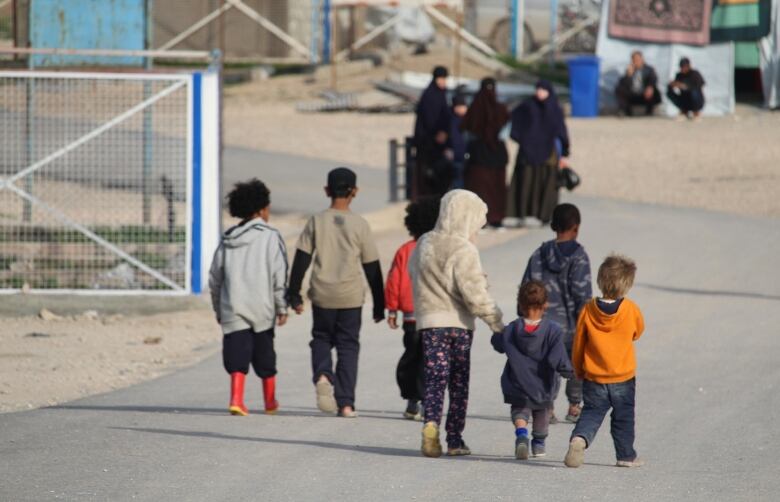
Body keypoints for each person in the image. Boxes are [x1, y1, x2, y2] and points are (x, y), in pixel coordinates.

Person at [409, 189, 505, 458]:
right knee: (458, 382)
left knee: (434, 378)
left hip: (430, 322)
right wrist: (497, 323)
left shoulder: (424, 243)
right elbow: (475, 294)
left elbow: (413, 274)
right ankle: (454, 438)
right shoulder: (464, 249)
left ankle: (430, 424)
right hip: (459, 325)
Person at [287, 167, 385, 418]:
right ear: (355, 192)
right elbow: (372, 266)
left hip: (322, 294)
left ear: (326, 190)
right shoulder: (360, 224)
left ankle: (322, 374)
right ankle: (346, 404)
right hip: (350, 297)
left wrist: (294, 294)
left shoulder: (316, 221)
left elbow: (302, 259)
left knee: (321, 338)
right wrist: (379, 303)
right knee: (348, 347)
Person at [208, 178, 288, 416]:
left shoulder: (228, 239)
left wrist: (218, 309)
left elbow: (215, 278)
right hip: (262, 307)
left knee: (236, 353)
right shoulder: (271, 236)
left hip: (232, 305)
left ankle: (236, 398)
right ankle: (270, 400)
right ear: (262, 209)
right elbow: (279, 274)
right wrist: (282, 306)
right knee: (265, 355)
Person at [564, 254, 645, 468]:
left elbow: (579, 343)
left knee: (591, 412)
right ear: (627, 284)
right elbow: (638, 332)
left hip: (594, 377)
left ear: (600, 280)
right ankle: (626, 456)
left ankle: (579, 438)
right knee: (623, 418)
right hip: (623, 378)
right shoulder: (630, 309)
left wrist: (578, 370)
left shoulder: (588, 310)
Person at [521, 203, 592, 424]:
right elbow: (582, 293)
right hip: (572, 326)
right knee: (576, 366)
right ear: (576, 228)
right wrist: (588, 321)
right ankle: (574, 406)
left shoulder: (539, 254)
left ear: (553, 226)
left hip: (542, 325)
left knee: (546, 367)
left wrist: (525, 318)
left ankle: (547, 407)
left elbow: (526, 288)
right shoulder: (579, 256)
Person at [491, 281, 573, 460]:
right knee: (541, 415)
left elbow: (497, 344)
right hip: (543, 385)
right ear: (545, 305)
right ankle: (538, 444)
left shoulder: (511, 329)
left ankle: (521, 434)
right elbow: (557, 357)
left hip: (516, 383)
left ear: (520, 305)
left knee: (519, 411)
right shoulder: (552, 330)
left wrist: (499, 331)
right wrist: (569, 371)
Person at [385, 197, 441, 421]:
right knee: (431, 360)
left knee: (412, 357)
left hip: (410, 317)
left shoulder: (405, 250)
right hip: (434, 315)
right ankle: (428, 401)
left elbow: (394, 281)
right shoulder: (438, 249)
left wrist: (391, 308)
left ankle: (412, 400)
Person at [507, 80, 570, 225]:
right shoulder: (528, 106)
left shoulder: (554, 108)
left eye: (542, 90)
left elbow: (561, 131)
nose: (539, 92)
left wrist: (565, 152)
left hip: (549, 152)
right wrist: (521, 138)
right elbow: (515, 121)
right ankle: (521, 215)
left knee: (547, 183)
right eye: (537, 89)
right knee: (526, 182)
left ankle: (546, 216)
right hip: (527, 151)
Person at [462, 78, 510, 228]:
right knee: (495, 188)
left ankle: (481, 220)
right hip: (496, 154)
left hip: (479, 155)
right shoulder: (501, 109)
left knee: (480, 188)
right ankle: (496, 218)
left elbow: (466, 131)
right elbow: (505, 132)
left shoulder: (474, 109)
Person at [414, 66, 452, 197]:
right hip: (429, 140)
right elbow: (430, 118)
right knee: (429, 173)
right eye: (441, 78)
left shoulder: (439, 94)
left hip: (436, 139)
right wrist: (439, 133)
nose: (443, 82)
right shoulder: (431, 95)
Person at [614, 51, 662, 116]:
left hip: (644, 94)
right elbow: (623, 84)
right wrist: (628, 75)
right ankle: (625, 111)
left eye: (638, 59)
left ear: (642, 59)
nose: (636, 61)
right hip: (632, 94)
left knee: (654, 90)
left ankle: (649, 111)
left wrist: (650, 87)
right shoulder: (630, 70)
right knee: (620, 89)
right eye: (634, 60)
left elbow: (653, 79)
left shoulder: (649, 69)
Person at [447, 93, 468, 190]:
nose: (461, 109)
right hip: (455, 155)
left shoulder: (469, 120)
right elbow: (451, 138)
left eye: (463, 106)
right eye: (458, 106)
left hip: (466, 155)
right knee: (457, 181)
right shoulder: (451, 120)